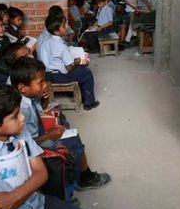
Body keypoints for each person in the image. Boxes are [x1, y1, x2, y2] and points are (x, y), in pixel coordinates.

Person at [10, 57, 111, 189]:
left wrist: (44, 99)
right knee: (73, 140)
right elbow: (26, 142)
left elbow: (41, 109)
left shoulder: (28, 97)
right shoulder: (23, 109)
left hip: (36, 133)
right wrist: (49, 135)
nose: (45, 85)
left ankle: (73, 174)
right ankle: (85, 178)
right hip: (32, 144)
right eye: (41, 82)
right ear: (23, 88)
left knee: (60, 116)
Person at [37, 13, 100, 111]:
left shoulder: (46, 40)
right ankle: (89, 102)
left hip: (48, 74)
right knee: (87, 73)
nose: (66, 27)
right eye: (63, 26)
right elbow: (69, 68)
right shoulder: (60, 45)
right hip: (59, 76)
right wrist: (76, 62)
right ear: (56, 31)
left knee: (82, 68)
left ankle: (85, 96)